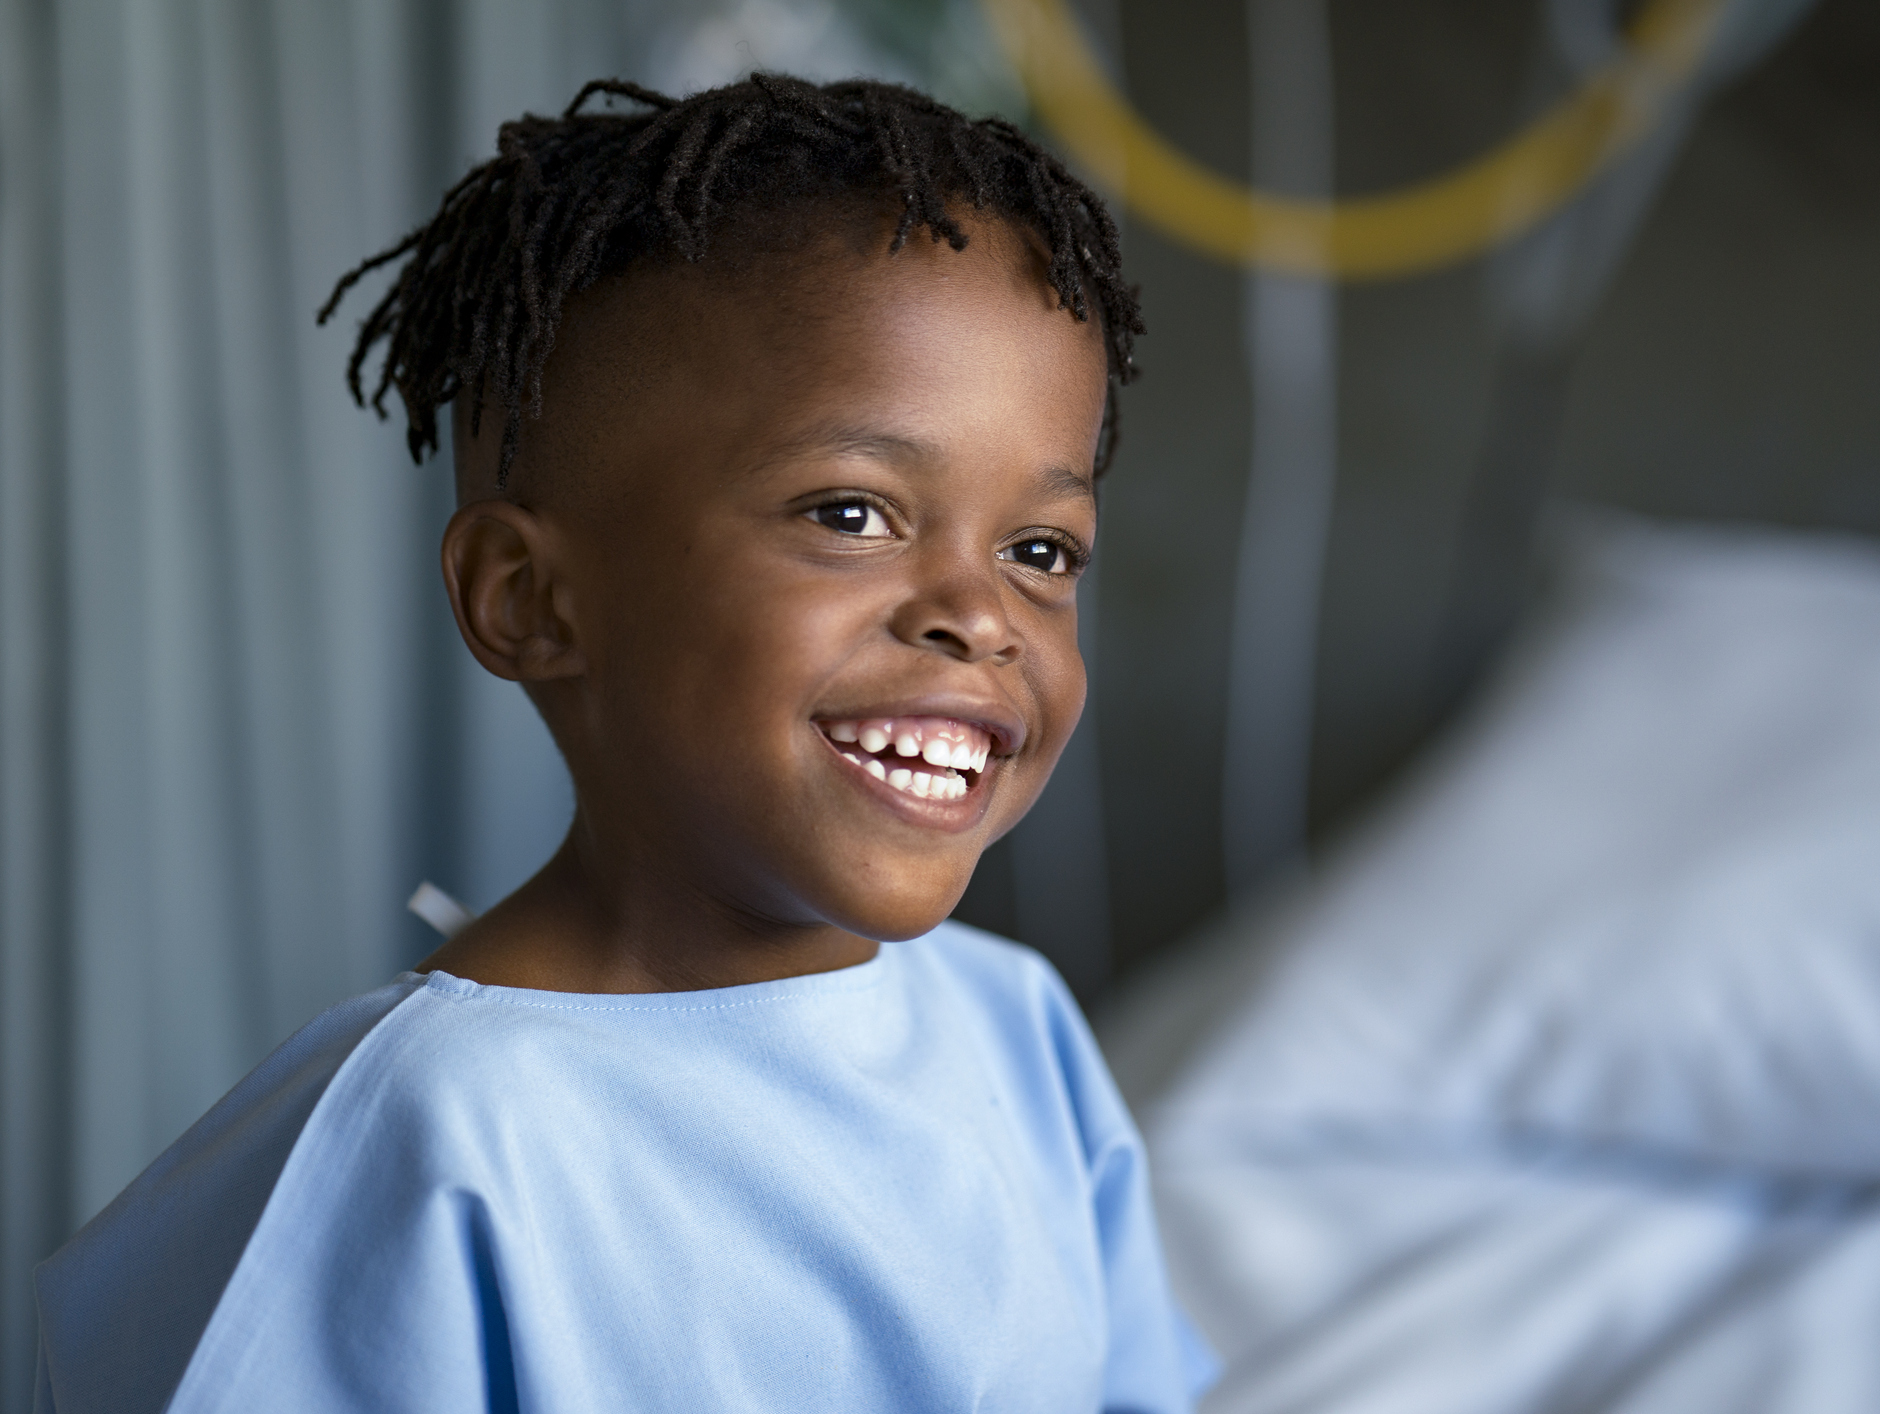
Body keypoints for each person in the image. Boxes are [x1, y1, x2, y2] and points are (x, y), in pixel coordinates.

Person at [33, 74, 1214, 1413]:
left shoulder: (1018, 1035)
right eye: (850, 512)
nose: (978, 615)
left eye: (1041, 549)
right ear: (533, 602)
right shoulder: (431, 1144)